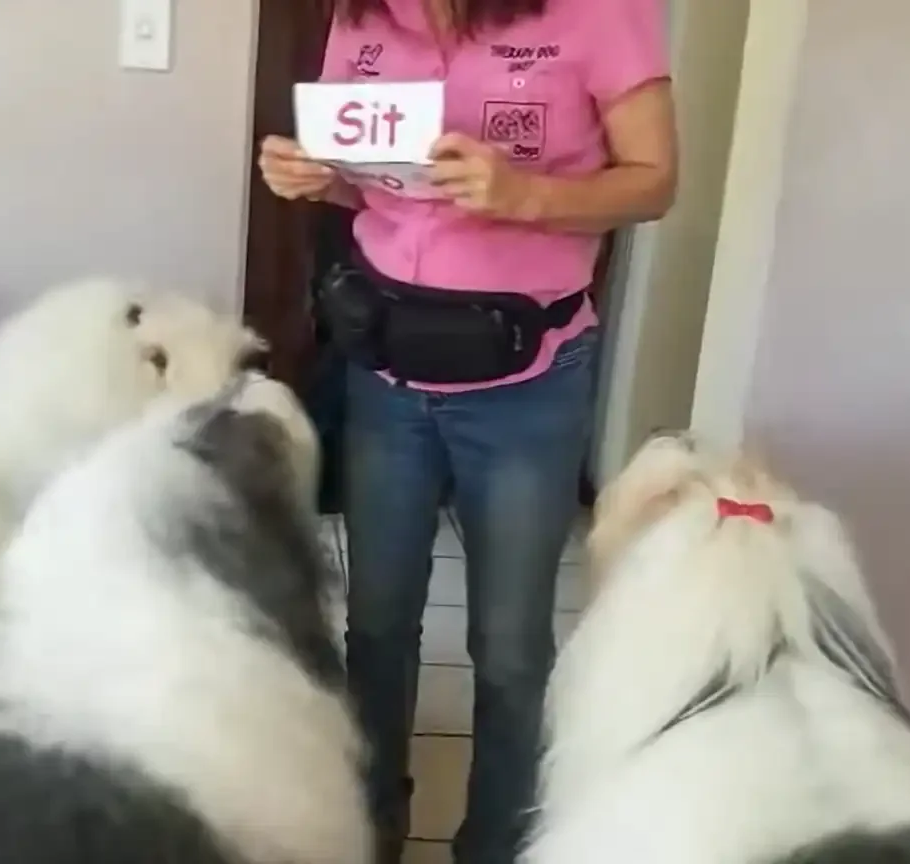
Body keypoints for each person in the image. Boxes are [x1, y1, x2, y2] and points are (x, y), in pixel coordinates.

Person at [258, 1, 677, 863]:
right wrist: (314, 176)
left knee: (512, 646)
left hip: (526, 384)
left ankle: (496, 842)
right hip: (386, 367)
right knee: (375, 623)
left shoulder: (600, 12)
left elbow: (655, 178)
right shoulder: (363, 15)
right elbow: (365, 175)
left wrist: (527, 194)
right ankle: (372, 826)